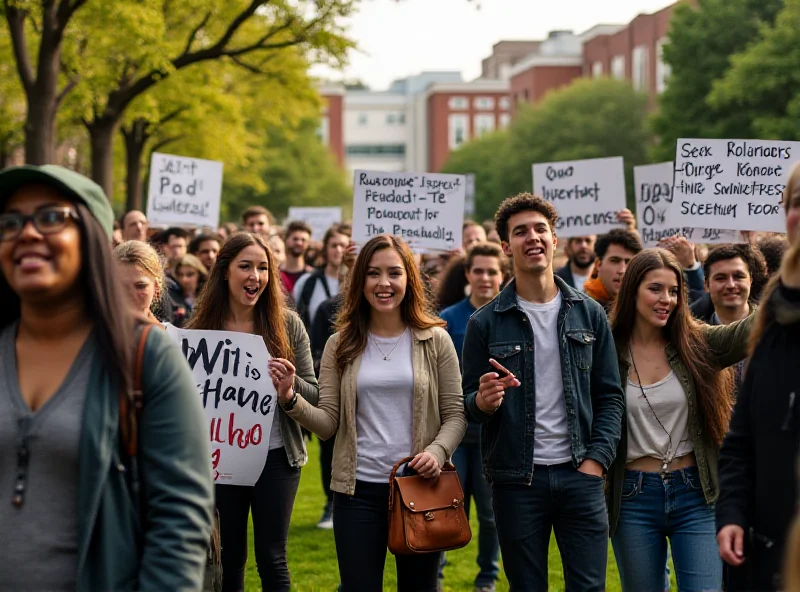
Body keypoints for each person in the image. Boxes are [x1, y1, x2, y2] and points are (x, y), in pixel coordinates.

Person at [0, 164, 213, 591]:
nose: (26, 233)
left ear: (93, 241)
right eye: (9, 222)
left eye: (50, 217)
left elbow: (181, 523)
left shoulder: (146, 355)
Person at [282, 234, 467, 592]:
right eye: (373, 273)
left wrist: (436, 452)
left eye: (394, 273)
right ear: (359, 281)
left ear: (409, 279)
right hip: (356, 494)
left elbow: (456, 413)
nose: (384, 283)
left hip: (420, 490)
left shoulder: (435, 339)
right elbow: (327, 424)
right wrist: (291, 398)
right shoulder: (341, 343)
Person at [462, 193, 624, 591]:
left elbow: (610, 396)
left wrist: (596, 462)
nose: (531, 237)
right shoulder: (484, 323)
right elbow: (467, 404)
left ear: (555, 240)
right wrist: (482, 401)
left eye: (540, 229)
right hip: (517, 482)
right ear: (506, 247)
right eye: (520, 232)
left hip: (580, 475)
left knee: (588, 587)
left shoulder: (590, 314)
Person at [606, 247, 753, 592]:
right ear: (632, 291)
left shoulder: (697, 342)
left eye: (674, 291)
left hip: (696, 493)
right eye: (655, 289)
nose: (667, 299)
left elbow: (750, 331)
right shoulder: (606, 349)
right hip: (633, 498)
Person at [186, 232, 318, 592]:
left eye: (262, 268)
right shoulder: (199, 332)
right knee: (227, 558)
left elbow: (316, 395)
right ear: (225, 272)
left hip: (277, 458)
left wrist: (289, 389)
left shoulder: (288, 325)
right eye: (245, 266)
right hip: (220, 459)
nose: (254, 276)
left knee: (273, 559)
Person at [716, 163, 800, 592]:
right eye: (797, 202)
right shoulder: (773, 314)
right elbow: (742, 437)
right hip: (766, 550)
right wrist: (732, 513)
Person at [439, 242, 505, 592]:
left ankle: (487, 577)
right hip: (454, 434)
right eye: (478, 270)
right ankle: (434, 573)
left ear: (502, 275)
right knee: (445, 508)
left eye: (492, 271)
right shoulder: (448, 318)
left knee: (491, 517)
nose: (484, 277)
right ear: (467, 274)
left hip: (493, 435)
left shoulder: (510, 316)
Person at [294, 224, 351, 330]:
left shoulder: (358, 283)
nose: (338, 250)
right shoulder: (306, 281)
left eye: (343, 245)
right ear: (325, 248)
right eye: (333, 245)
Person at [583, 229, 643, 310]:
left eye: (629, 262)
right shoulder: (582, 308)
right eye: (614, 261)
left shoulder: (643, 308)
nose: (622, 270)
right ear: (598, 264)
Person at [114, 240, 168, 325]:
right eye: (122, 287)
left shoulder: (171, 336)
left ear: (156, 287)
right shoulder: (94, 334)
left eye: (140, 286)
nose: (131, 293)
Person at [169, 253, 208, 327]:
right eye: (180, 275)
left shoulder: (208, 296)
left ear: (199, 274)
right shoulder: (171, 297)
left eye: (190, 274)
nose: (184, 279)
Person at [280, 220, 313, 295]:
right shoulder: (276, 274)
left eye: (303, 240)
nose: (299, 243)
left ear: (309, 243)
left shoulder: (312, 276)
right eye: (295, 239)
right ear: (286, 240)